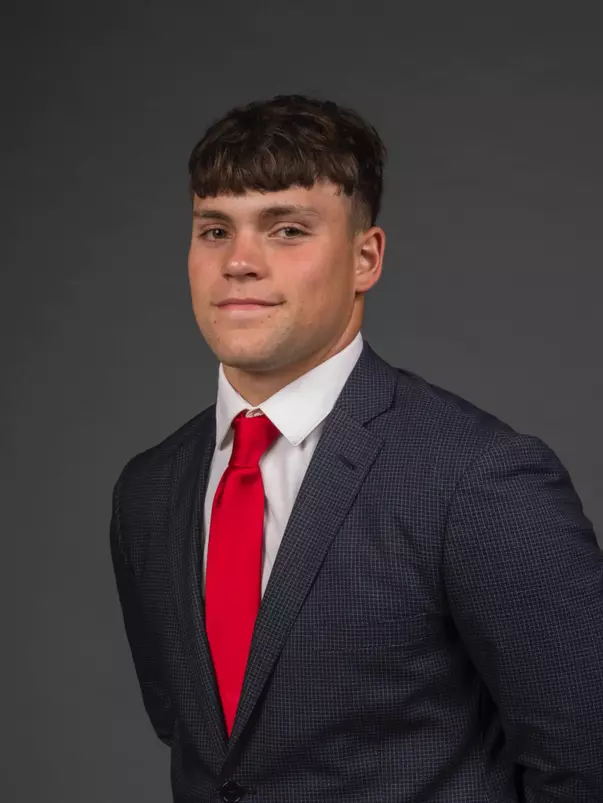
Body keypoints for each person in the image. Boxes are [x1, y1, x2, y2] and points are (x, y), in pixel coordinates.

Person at [109, 93, 603, 803]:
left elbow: (586, 761)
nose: (239, 261)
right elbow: (203, 747)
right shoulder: (149, 491)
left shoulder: (478, 478)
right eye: (214, 230)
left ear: (365, 257)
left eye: (286, 229)